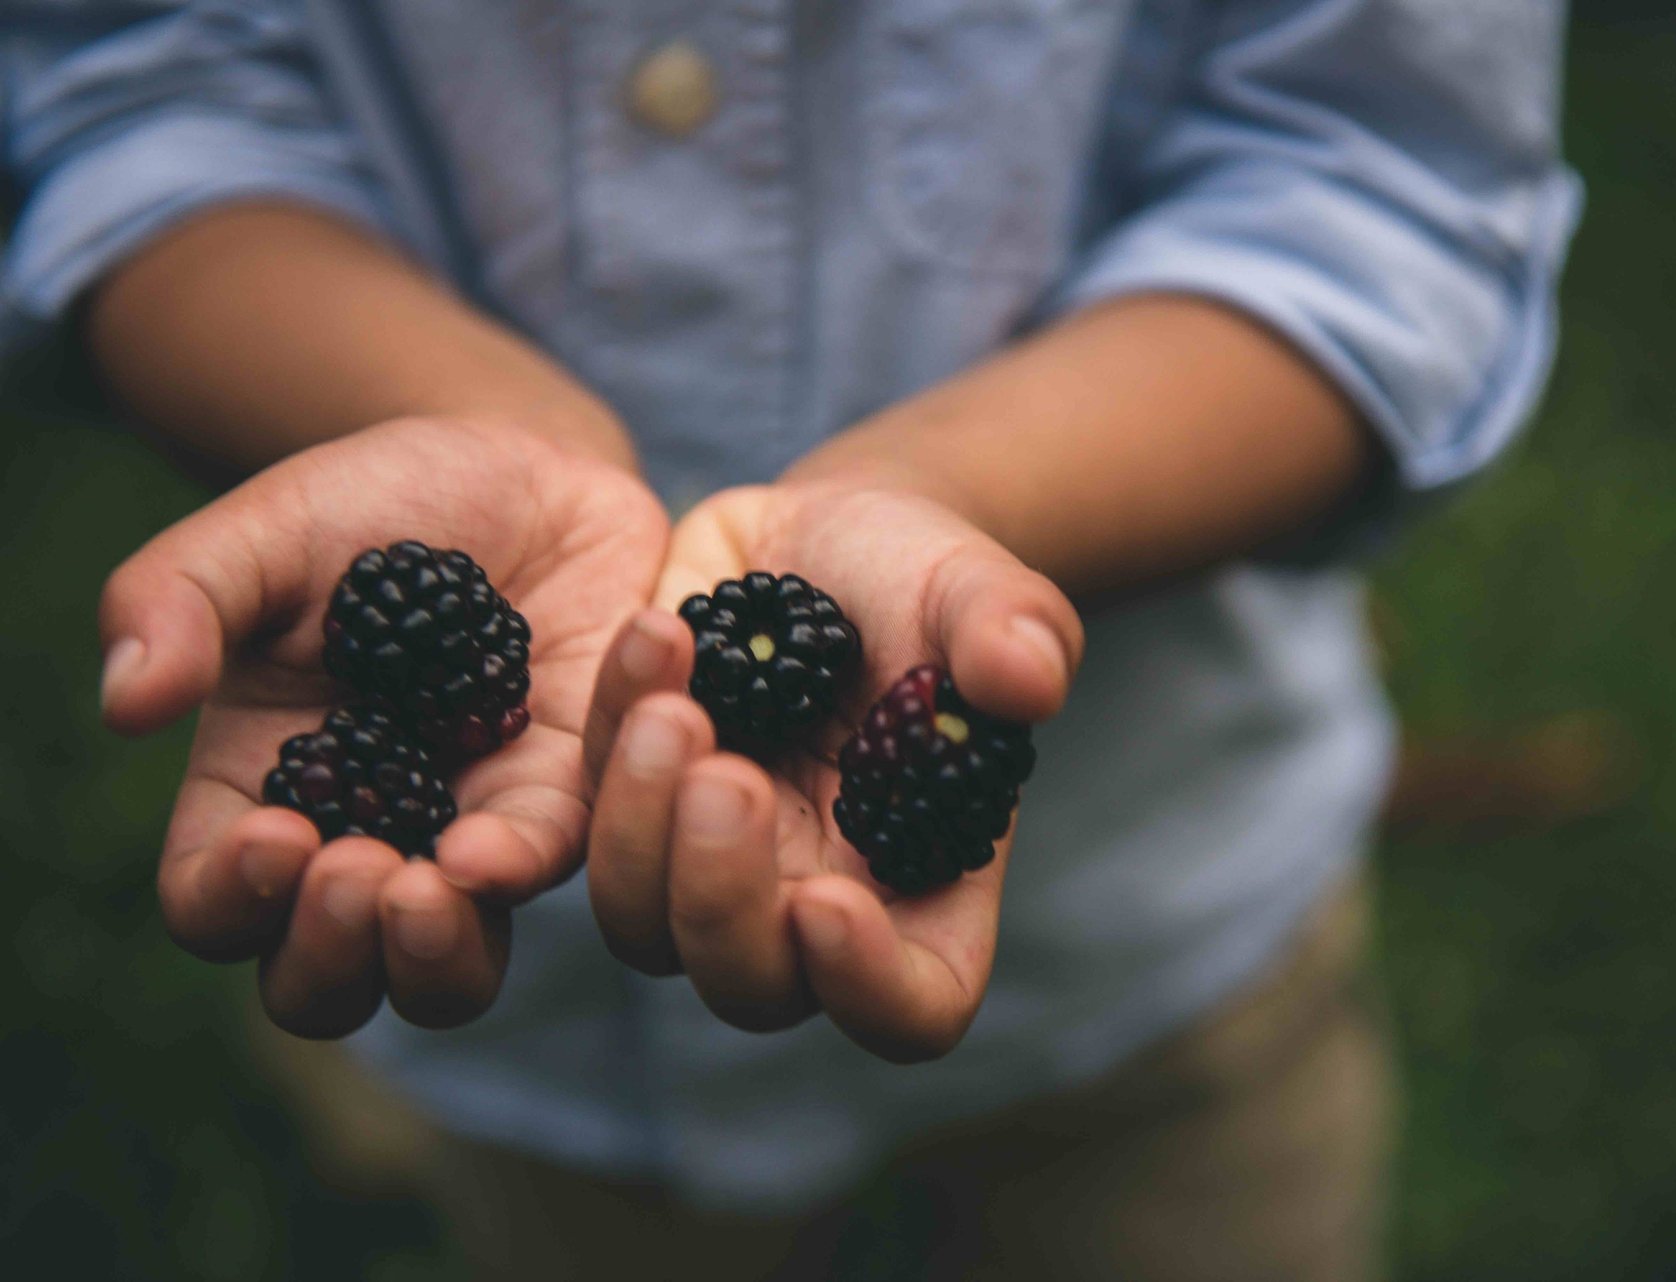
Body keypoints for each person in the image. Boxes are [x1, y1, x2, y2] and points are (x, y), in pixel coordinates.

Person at [2, 2, 1579, 1277]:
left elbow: (1379, 190)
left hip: (1147, 945)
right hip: (541, 1024)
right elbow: (133, 95)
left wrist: (951, 484)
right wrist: (458, 418)